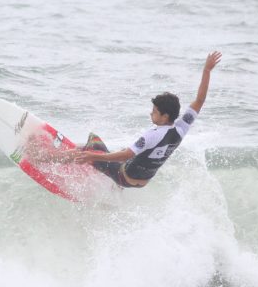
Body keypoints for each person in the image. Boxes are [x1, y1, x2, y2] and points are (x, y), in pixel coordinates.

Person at [74, 51, 222, 188]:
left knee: (93, 143)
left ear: (165, 116)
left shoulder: (153, 134)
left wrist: (92, 156)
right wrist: (207, 70)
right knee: (122, 151)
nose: (151, 113)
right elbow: (200, 100)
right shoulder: (181, 129)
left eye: (155, 111)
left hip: (123, 176)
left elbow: (127, 156)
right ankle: (113, 187)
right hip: (142, 182)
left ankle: (54, 159)